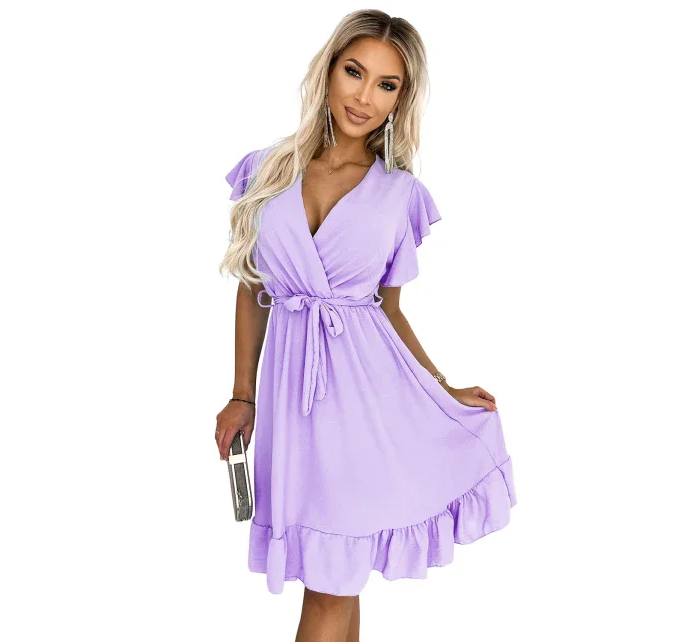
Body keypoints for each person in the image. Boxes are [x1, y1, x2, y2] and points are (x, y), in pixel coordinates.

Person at [216, 10, 517, 641]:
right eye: (354, 72)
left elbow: (388, 309)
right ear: (328, 71)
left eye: (387, 84)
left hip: (364, 404)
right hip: (290, 408)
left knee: (330, 585)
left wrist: (442, 389)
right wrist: (242, 394)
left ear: (401, 99)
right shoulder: (265, 170)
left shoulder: (399, 194)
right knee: (336, 577)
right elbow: (252, 288)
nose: (364, 96)